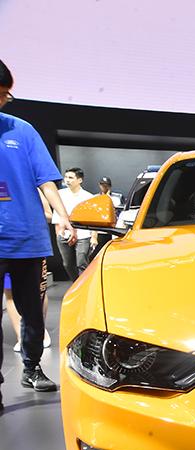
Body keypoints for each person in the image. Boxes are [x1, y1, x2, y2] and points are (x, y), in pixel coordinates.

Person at [0, 58, 66, 411]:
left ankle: (32, 367)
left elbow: (45, 179)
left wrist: (62, 215)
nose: (2, 100)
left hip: (27, 238)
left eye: (5, 95)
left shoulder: (22, 131)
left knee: (34, 313)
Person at [3, 190, 53, 352]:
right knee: (9, 293)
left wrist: (27, 215)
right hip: (5, 250)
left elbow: (49, 214)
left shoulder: (31, 188)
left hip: (30, 249)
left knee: (38, 291)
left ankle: (39, 332)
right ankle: (21, 337)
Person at [55, 167, 95, 279]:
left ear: (80, 180)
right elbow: (56, 216)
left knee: (82, 263)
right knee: (68, 264)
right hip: (64, 234)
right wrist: (58, 234)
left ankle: (84, 285)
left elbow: (93, 219)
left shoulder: (88, 197)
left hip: (83, 234)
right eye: (66, 177)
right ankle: (76, 284)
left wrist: (94, 236)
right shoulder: (59, 194)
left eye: (71, 177)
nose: (67, 180)